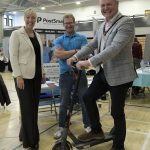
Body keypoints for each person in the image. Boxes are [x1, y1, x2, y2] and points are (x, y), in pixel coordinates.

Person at [67, 0, 136, 149]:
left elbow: (114, 48)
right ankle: (96, 130)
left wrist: (89, 62)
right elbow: (92, 45)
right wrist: (76, 57)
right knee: (87, 97)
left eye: (109, 4)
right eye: (103, 5)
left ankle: (118, 146)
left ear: (116, 4)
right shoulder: (102, 25)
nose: (105, 8)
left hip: (120, 76)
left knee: (116, 112)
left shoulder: (126, 23)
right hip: (104, 72)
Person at [9, 8, 45, 150]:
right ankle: (31, 142)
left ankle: (24, 134)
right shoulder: (16, 34)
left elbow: (38, 57)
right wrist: (18, 75)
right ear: (24, 18)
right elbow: (13, 56)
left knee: (33, 108)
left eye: (33, 18)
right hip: (23, 78)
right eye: (28, 17)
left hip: (36, 77)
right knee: (27, 109)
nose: (31, 20)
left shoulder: (36, 35)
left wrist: (42, 72)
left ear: (36, 20)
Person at [53, 13, 91, 139]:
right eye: (66, 23)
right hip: (65, 75)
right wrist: (76, 51)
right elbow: (58, 54)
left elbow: (85, 55)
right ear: (63, 25)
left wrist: (66, 53)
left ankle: (88, 125)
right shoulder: (59, 40)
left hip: (80, 74)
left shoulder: (82, 38)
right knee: (64, 102)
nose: (68, 25)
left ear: (74, 23)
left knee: (84, 100)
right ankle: (61, 127)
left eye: (70, 22)